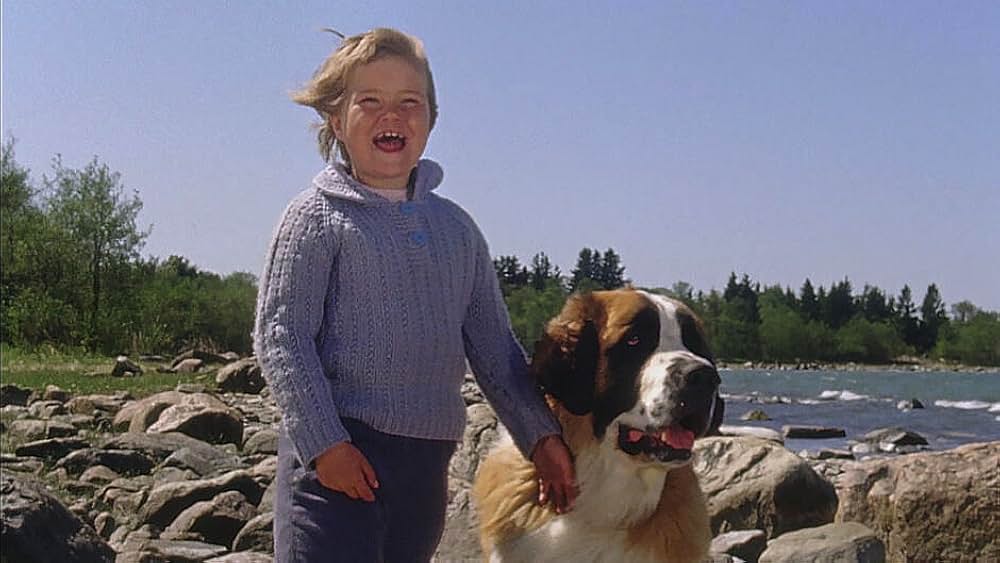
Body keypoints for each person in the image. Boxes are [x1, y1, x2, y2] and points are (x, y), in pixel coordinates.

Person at [254, 27, 577, 562]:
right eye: (371, 102)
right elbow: (282, 337)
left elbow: (496, 352)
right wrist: (324, 444)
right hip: (336, 457)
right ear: (337, 120)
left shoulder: (457, 230)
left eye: (411, 103)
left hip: (425, 466)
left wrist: (541, 438)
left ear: (431, 119)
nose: (393, 116)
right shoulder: (315, 218)